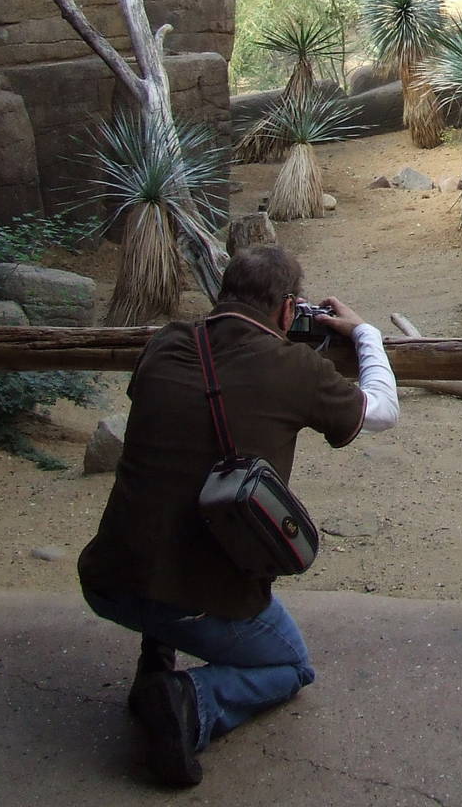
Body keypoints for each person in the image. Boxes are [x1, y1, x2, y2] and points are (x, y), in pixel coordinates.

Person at [78, 244, 400, 787]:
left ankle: (155, 660)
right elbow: (383, 411)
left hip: (109, 581)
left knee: (165, 503)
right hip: (201, 602)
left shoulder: (166, 344)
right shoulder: (293, 365)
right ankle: (189, 702)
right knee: (290, 666)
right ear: (287, 310)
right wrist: (365, 333)